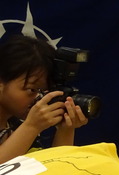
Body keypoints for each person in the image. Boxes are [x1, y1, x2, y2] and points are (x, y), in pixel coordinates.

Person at [0, 35, 88, 163]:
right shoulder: (28, 126)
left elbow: (57, 169)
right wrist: (31, 127)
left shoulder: (18, 125)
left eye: (45, 92)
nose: (39, 99)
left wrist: (66, 129)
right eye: (32, 90)